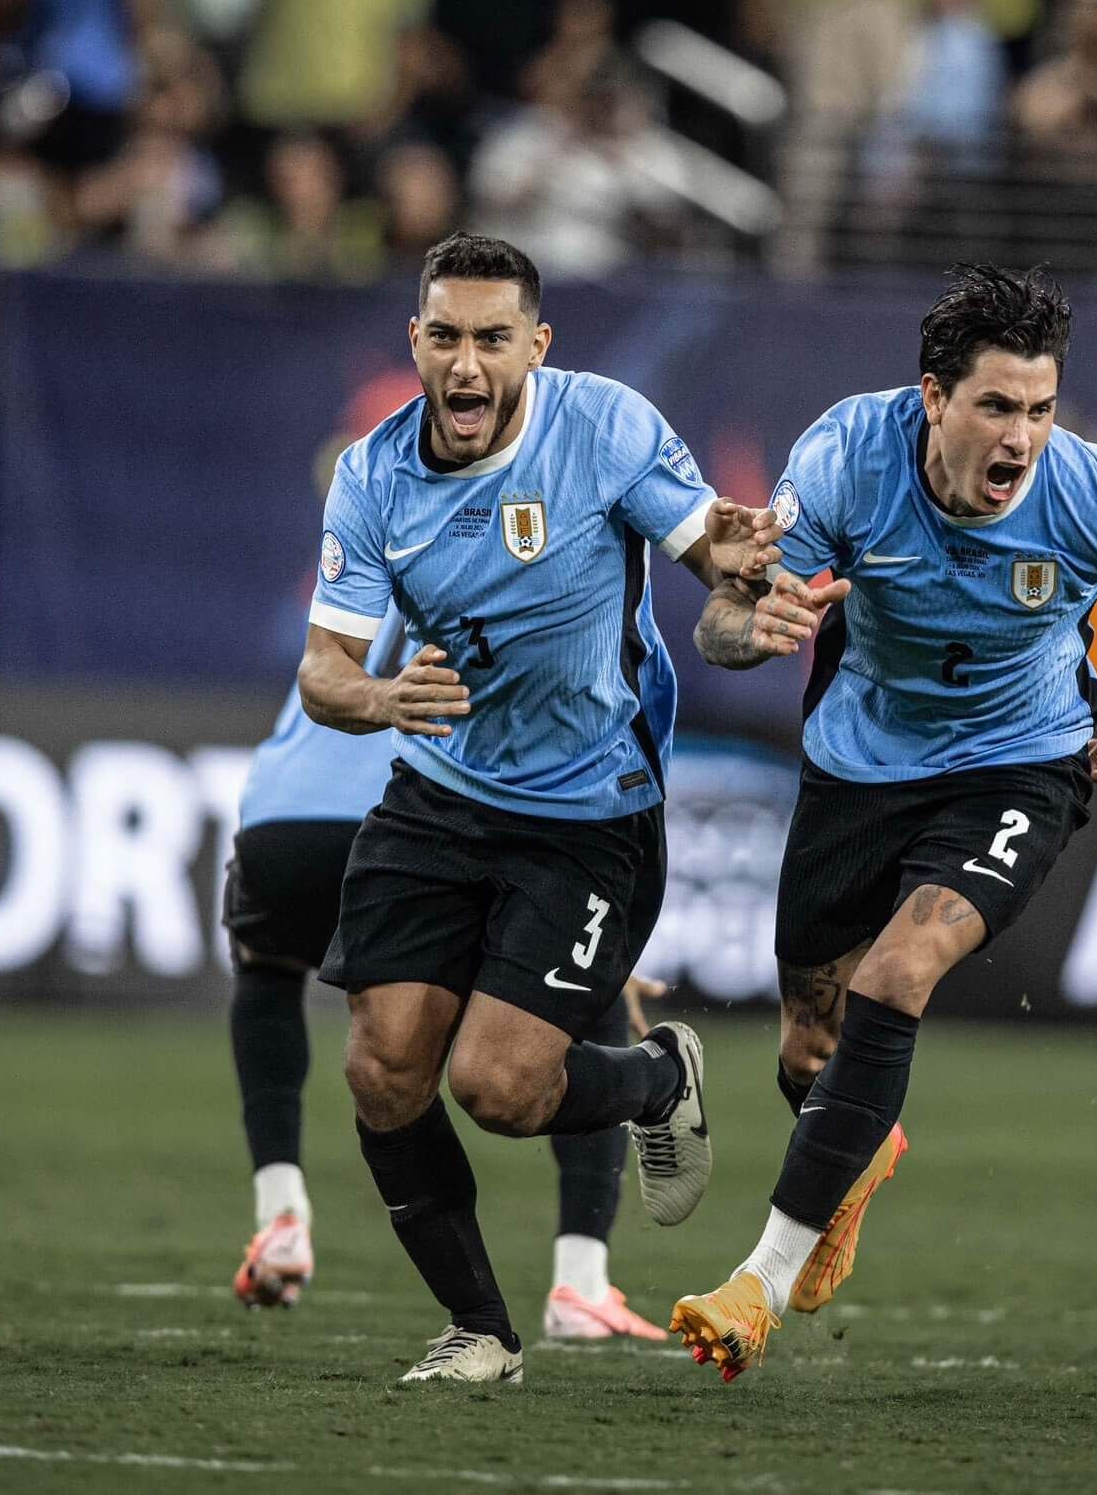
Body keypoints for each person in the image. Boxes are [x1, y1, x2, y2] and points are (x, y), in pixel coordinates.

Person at [669, 264, 1097, 1382]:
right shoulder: (843, 457)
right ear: (932, 398)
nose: (1019, 437)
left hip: (1019, 763)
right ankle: (857, 1147)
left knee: (901, 969)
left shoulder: (1088, 492)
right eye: (994, 406)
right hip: (857, 762)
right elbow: (724, 623)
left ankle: (756, 1283)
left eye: (1037, 408)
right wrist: (757, 621)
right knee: (806, 1050)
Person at [298, 231, 780, 1385]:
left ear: (535, 345)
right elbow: (323, 669)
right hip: (437, 791)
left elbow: (702, 544)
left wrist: (740, 562)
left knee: (499, 1089)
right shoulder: (372, 475)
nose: (467, 366)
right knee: (381, 1068)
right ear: (416, 342)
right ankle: (481, 1332)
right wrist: (377, 696)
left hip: (588, 809)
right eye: (447, 338)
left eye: (491, 340)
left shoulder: (601, 426)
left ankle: (657, 1077)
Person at [229, 600, 667, 1344]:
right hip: (418, 811)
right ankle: (580, 1281)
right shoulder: (552, 595)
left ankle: (281, 1215)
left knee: (265, 971)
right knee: (575, 1012)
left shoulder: (365, 585)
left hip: (279, 814)